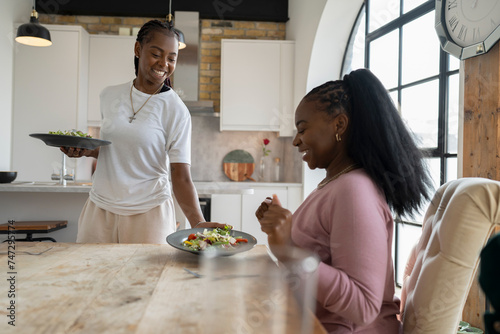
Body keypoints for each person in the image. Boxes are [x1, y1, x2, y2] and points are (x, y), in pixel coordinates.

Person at [255, 68, 432, 333]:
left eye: (302, 129)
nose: (295, 141)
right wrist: (282, 232)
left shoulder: (354, 190)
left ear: (339, 125)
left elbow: (363, 306)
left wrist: (290, 249)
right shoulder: (337, 184)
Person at [62, 19, 225, 243]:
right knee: (91, 276)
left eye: (171, 58)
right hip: (100, 209)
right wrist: (86, 150)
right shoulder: (109, 95)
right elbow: (120, 151)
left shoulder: (176, 110)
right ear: (138, 49)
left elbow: (180, 175)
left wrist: (197, 222)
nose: (164, 64)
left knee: (146, 278)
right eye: (156, 54)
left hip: (149, 213)